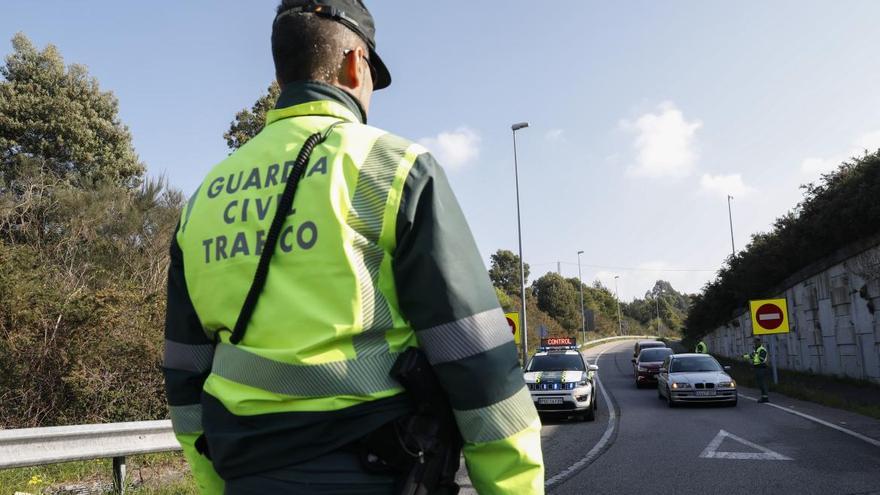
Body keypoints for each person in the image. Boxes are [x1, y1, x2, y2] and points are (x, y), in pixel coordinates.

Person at [162, 1, 544, 493]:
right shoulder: (394, 166)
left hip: (247, 477)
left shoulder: (204, 199)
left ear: (283, 70)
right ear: (354, 64)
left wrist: (218, 484)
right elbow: (477, 359)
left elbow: (184, 372)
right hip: (378, 471)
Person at [743, 337, 770, 403]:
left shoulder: (762, 350)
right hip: (757, 368)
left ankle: (765, 397)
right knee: (760, 383)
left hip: (761, 368)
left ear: (759, 342)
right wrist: (744, 356)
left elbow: (761, 359)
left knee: (762, 383)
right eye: (754, 342)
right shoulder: (756, 350)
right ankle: (763, 397)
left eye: (756, 342)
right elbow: (751, 356)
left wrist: (755, 355)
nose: (755, 344)